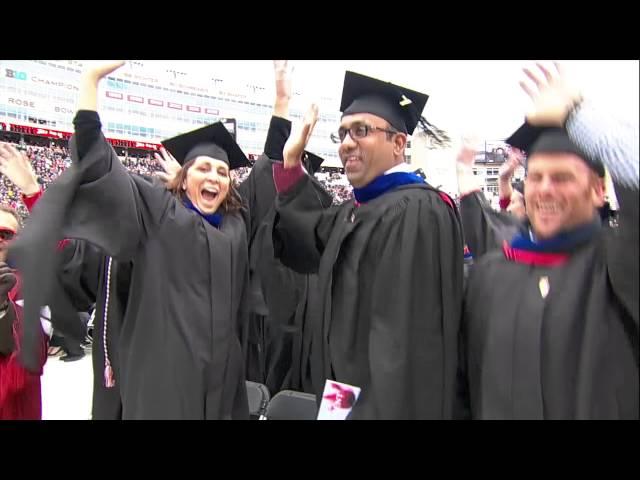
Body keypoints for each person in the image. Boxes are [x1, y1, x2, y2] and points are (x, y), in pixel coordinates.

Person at [10, 61, 250, 419]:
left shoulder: (234, 231)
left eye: (221, 171)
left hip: (221, 387)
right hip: (164, 386)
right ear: (183, 181)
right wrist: (89, 82)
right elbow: (101, 170)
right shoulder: (158, 217)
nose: (214, 176)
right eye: (201, 168)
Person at [271, 71, 464, 419]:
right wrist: (290, 166)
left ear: (398, 143)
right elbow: (305, 240)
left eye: (361, 130)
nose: (346, 142)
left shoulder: (418, 211)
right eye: (342, 132)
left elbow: (406, 346)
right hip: (340, 395)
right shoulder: (354, 212)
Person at [458, 62, 638, 419]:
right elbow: (464, 388)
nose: (543, 189)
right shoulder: (491, 274)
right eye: (536, 176)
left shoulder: (620, 266)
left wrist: (579, 116)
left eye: (562, 177)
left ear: (600, 190)